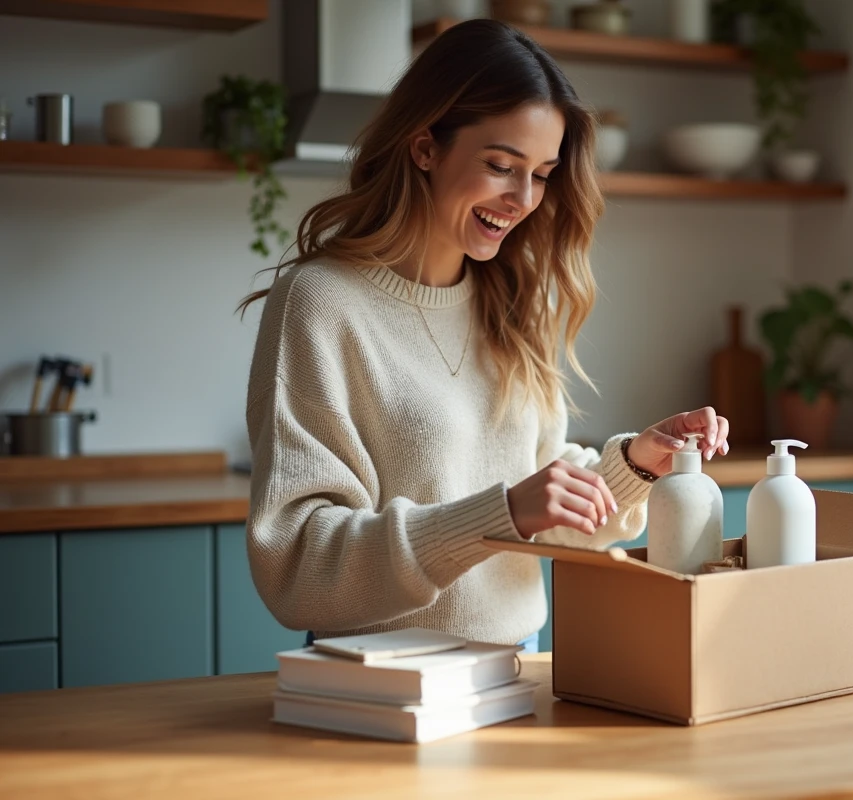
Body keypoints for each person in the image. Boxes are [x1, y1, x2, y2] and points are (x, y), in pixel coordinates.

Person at [239, 18, 729, 655]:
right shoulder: (321, 302)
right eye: (501, 165)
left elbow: (544, 511)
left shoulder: (513, 302)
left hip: (515, 668)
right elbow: (298, 569)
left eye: (544, 172)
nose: (524, 198)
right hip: (374, 683)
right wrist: (500, 514)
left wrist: (634, 465)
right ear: (425, 148)